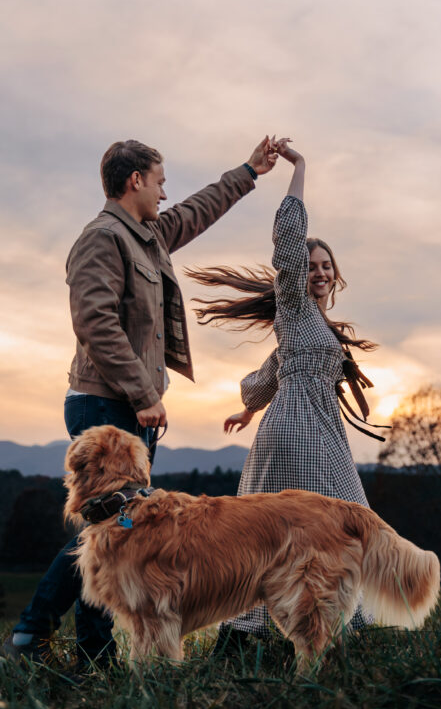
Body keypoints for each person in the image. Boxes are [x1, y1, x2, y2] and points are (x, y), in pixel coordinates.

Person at [1, 136, 278, 669]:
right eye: (159, 179)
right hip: (105, 408)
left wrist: (249, 170)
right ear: (135, 181)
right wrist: (145, 393)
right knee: (106, 534)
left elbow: (196, 212)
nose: (164, 189)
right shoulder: (102, 239)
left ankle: (92, 654)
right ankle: (31, 636)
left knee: (114, 538)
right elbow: (96, 323)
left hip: (129, 409)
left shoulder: (147, 235)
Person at [187, 138, 383, 652]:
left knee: (273, 534)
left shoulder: (313, 323)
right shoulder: (294, 304)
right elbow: (289, 239)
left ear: (334, 275)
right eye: (312, 264)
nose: (318, 271)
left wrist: (248, 407)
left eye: (326, 266)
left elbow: (274, 367)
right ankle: (331, 631)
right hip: (302, 429)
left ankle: (261, 632)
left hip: (306, 429)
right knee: (341, 526)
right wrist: (300, 168)